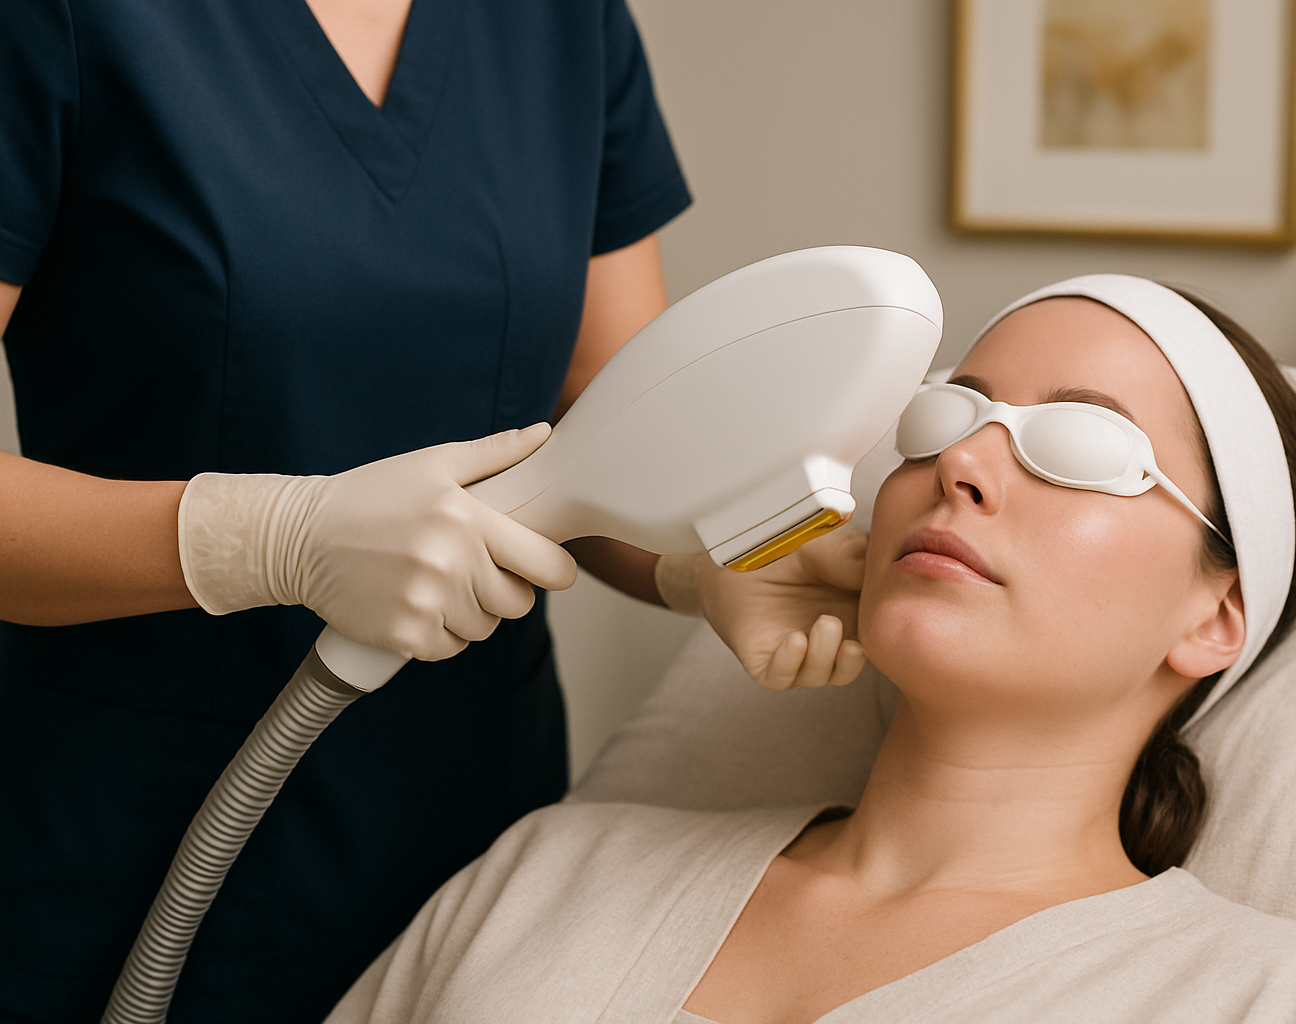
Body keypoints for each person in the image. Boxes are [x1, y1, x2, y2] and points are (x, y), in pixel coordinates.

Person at [0, 1, 862, 1020]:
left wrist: (702, 556)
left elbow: (603, 408)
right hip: (133, 813)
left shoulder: (565, 27)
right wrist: (271, 542)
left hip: (468, 816)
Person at [322, 276, 1296, 1024]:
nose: (966, 458)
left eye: (1082, 443)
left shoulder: (1265, 999)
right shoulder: (552, 874)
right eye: (944, 416)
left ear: (1216, 615)